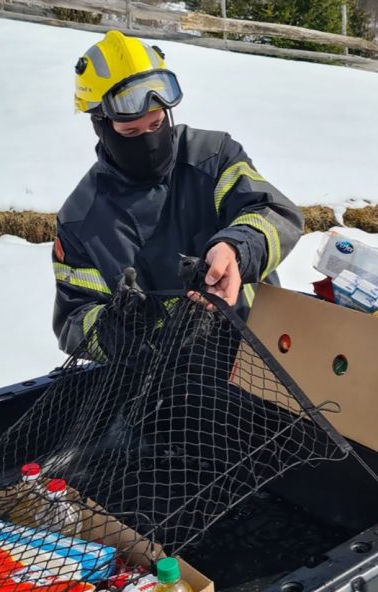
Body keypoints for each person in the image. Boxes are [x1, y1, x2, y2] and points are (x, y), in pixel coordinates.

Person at [52, 31, 303, 357]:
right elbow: (73, 320)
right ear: (99, 124)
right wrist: (112, 328)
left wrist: (235, 249)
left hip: (256, 350)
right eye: (131, 133)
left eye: (156, 126)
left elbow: (276, 213)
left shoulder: (213, 156)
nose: (148, 141)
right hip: (160, 381)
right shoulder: (79, 218)